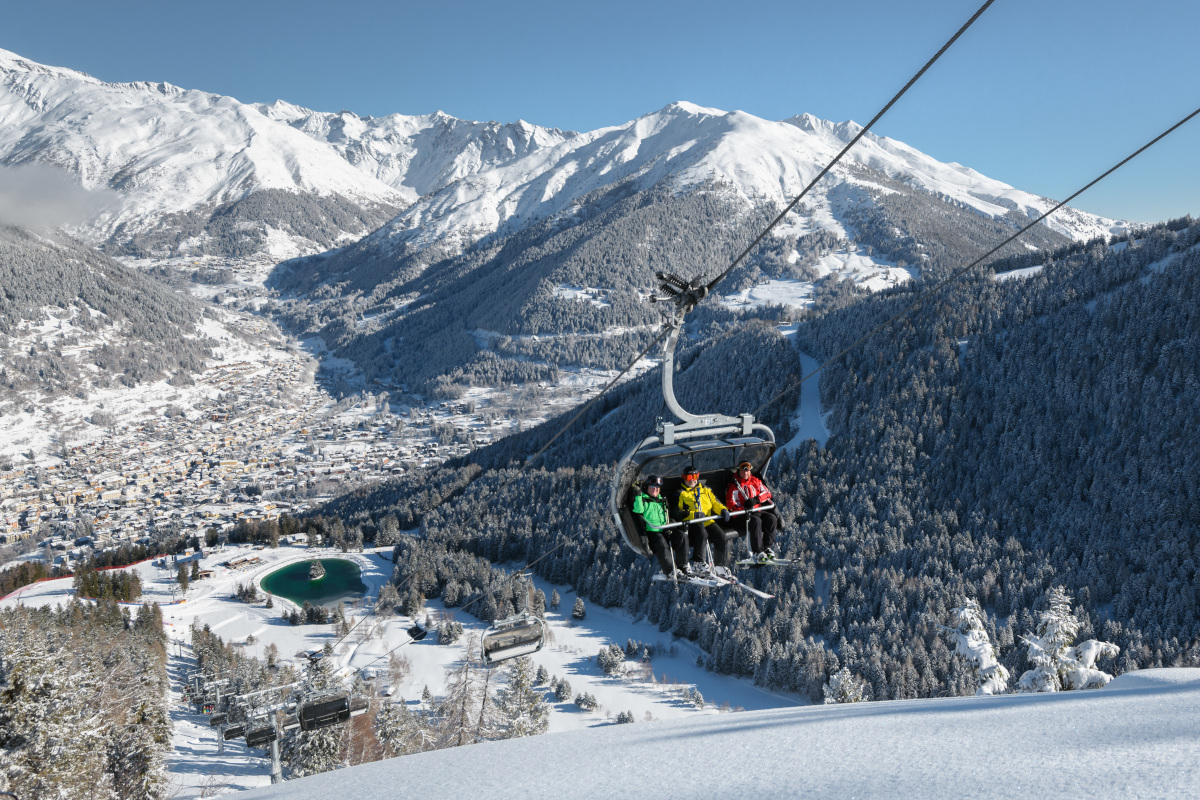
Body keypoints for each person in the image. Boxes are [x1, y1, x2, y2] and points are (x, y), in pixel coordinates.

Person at [675, 468, 731, 577]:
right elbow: (677, 512)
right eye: (689, 477)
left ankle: (719, 566)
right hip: (691, 523)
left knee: (721, 536)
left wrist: (723, 510)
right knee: (702, 533)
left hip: (707, 520)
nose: (692, 480)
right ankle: (699, 563)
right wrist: (693, 515)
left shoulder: (705, 490)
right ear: (684, 478)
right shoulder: (680, 494)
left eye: (695, 477)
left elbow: (715, 502)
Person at [632, 475, 689, 580]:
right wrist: (638, 494)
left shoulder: (662, 500)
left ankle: (683, 566)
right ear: (647, 486)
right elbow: (638, 510)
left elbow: (667, 514)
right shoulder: (643, 500)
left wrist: (671, 523)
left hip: (665, 530)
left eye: (657, 487)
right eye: (652, 486)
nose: (655, 489)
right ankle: (670, 571)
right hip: (652, 532)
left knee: (681, 536)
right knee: (661, 541)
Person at [725, 460, 782, 562]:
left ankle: (766, 547)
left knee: (772, 518)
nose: (746, 473)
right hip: (741, 515)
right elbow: (730, 504)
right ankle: (758, 551)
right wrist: (743, 509)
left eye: (748, 471)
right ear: (738, 471)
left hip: (756, 510)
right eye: (743, 471)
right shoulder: (734, 486)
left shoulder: (755, 481)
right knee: (756, 521)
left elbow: (767, 493)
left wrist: (756, 500)